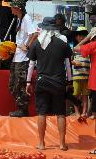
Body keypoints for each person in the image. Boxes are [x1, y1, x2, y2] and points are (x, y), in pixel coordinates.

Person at [26, 17, 73, 150]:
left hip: (42, 82)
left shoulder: (36, 43)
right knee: (61, 113)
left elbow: (31, 65)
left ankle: (41, 143)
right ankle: (62, 144)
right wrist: (70, 81)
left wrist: (28, 82)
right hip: (59, 82)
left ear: (44, 28)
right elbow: (68, 65)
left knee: (42, 113)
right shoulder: (62, 44)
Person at [8, 0, 39, 117]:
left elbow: (35, 33)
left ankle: (23, 109)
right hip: (17, 56)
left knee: (20, 84)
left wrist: (27, 46)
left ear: (17, 8)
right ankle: (21, 107)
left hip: (23, 58)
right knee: (12, 84)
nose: (11, 8)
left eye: (12, 6)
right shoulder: (18, 19)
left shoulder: (26, 18)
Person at [70, 27, 91, 121]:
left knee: (85, 95)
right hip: (76, 76)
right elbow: (69, 60)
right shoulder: (73, 48)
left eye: (83, 35)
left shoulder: (88, 47)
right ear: (76, 37)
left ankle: (84, 112)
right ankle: (77, 112)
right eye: (79, 35)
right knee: (75, 94)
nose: (81, 37)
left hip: (87, 76)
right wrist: (74, 62)